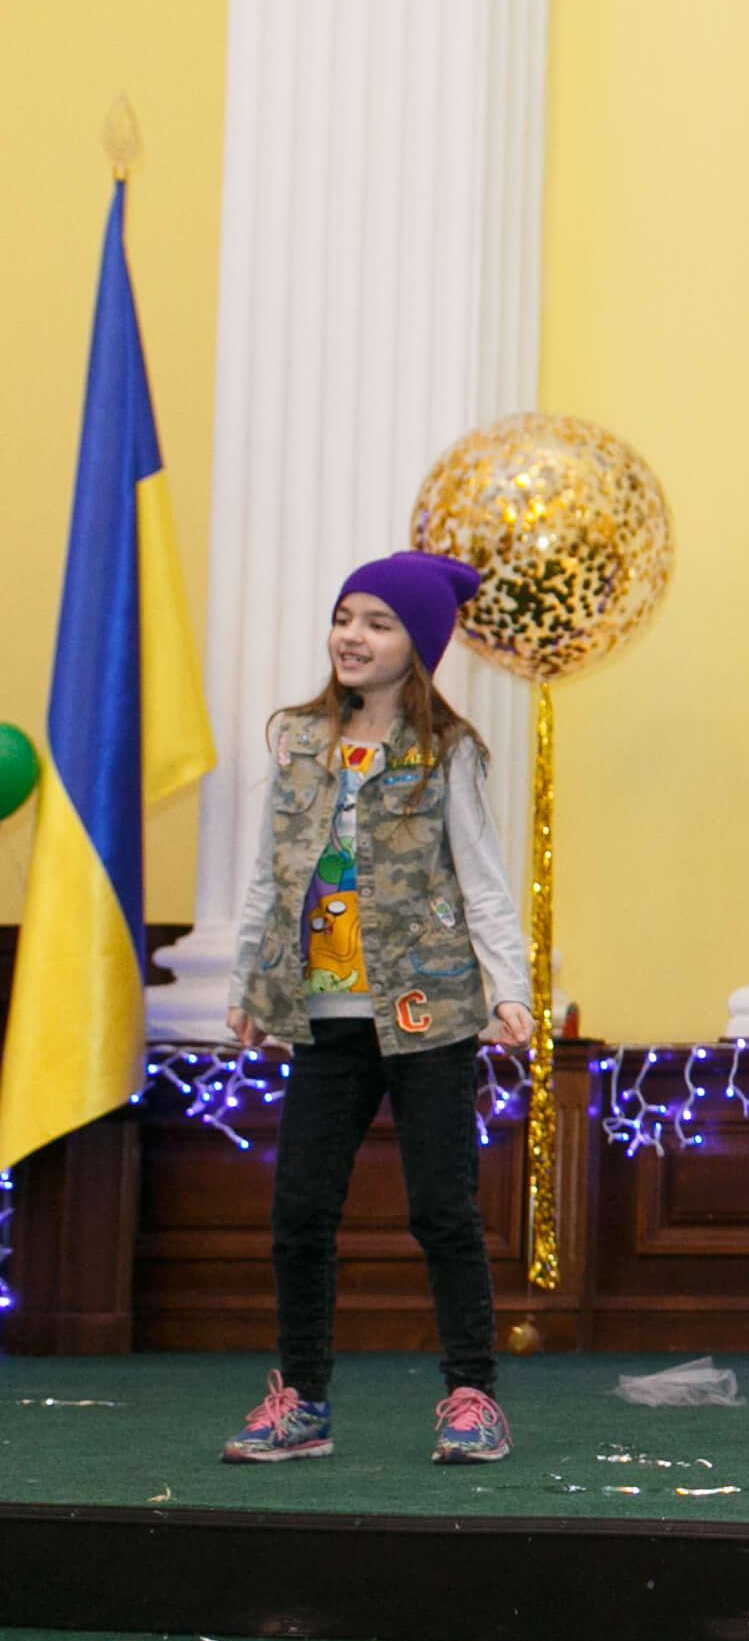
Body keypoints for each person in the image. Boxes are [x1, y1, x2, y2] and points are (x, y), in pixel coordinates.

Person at [222, 554, 533, 1466]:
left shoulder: (449, 751)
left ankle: (471, 1395)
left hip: (427, 1012)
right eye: (344, 617)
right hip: (324, 1015)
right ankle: (302, 1400)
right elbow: (269, 874)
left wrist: (509, 987)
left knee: (442, 1209)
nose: (352, 637)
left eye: (378, 623)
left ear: (418, 646)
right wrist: (248, 983)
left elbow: (482, 877)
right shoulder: (297, 740)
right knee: (300, 1208)